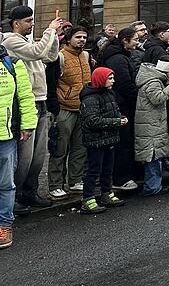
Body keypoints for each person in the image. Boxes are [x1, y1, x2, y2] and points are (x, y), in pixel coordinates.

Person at [3, 7, 61, 215]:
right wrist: (49, 31)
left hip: (41, 100)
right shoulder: (10, 41)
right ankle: (16, 195)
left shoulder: (27, 41)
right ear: (15, 23)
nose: (32, 24)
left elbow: (49, 56)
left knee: (38, 154)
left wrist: (55, 37)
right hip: (25, 103)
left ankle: (31, 191)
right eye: (28, 21)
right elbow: (37, 52)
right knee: (24, 156)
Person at [0, 37, 38, 249]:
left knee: (5, 184)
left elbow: (25, 96)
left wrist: (28, 124)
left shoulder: (12, 63)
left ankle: (4, 224)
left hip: (5, 135)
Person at [48, 26, 91, 199]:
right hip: (65, 108)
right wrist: (55, 109)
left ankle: (75, 181)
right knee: (59, 148)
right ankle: (55, 185)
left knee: (80, 148)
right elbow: (51, 84)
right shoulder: (60, 57)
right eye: (78, 37)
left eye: (84, 37)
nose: (82, 40)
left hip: (83, 107)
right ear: (68, 39)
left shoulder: (86, 55)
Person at [77, 67, 127, 214]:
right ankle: (88, 199)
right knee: (94, 170)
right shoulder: (90, 98)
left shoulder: (109, 93)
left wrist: (119, 118)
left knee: (107, 169)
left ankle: (107, 193)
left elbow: (112, 110)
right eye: (110, 78)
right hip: (95, 140)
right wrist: (116, 122)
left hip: (108, 138)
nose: (113, 81)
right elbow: (92, 121)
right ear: (100, 79)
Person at [97, 27, 140, 192]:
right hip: (120, 104)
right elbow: (124, 84)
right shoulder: (118, 59)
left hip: (120, 103)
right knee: (122, 142)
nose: (137, 42)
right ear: (125, 40)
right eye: (135, 39)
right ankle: (120, 178)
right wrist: (135, 99)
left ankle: (125, 175)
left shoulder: (120, 56)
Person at [133, 60, 169, 196]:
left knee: (154, 157)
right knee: (152, 157)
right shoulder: (153, 82)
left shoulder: (152, 79)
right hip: (151, 125)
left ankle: (154, 185)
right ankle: (152, 187)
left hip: (150, 123)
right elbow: (157, 98)